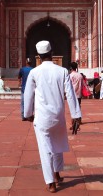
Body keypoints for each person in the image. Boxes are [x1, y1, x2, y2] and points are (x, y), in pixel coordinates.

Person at [24, 41, 81, 194]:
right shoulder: (62, 71)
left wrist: (27, 114)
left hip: (42, 117)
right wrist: (76, 116)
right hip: (58, 116)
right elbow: (70, 94)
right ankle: (57, 173)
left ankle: (51, 183)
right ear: (52, 52)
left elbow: (28, 95)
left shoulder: (34, 72)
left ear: (38, 56)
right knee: (58, 146)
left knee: (45, 149)